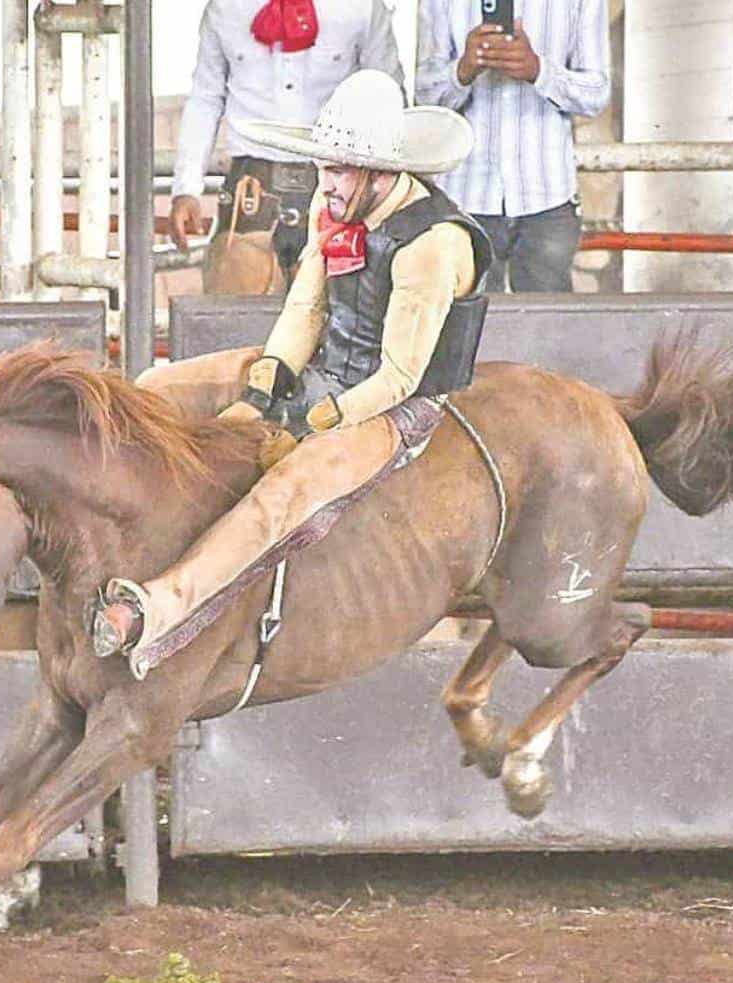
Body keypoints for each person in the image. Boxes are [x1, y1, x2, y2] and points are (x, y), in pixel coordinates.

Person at [92, 71, 491, 680]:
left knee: (284, 494)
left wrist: (305, 423)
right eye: (326, 168)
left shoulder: (432, 246)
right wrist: (262, 391)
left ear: (381, 175)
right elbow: (306, 309)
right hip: (323, 367)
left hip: (385, 409)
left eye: (339, 171)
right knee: (154, 388)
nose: (325, 183)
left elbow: (399, 377)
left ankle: (163, 604)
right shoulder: (332, 207)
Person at [171, 0, 407, 294]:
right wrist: (186, 189)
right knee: (236, 322)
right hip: (252, 193)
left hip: (336, 187)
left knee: (336, 323)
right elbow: (205, 98)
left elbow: (387, 99)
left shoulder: (361, 7)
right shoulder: (225, 7)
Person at [415, 0, 609, 292]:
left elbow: (597, 94)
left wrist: (539, 71)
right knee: (464, 328)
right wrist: (462, 70)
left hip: (547, 195)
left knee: (548, 328)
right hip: (464, 197)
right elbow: (423, 95)